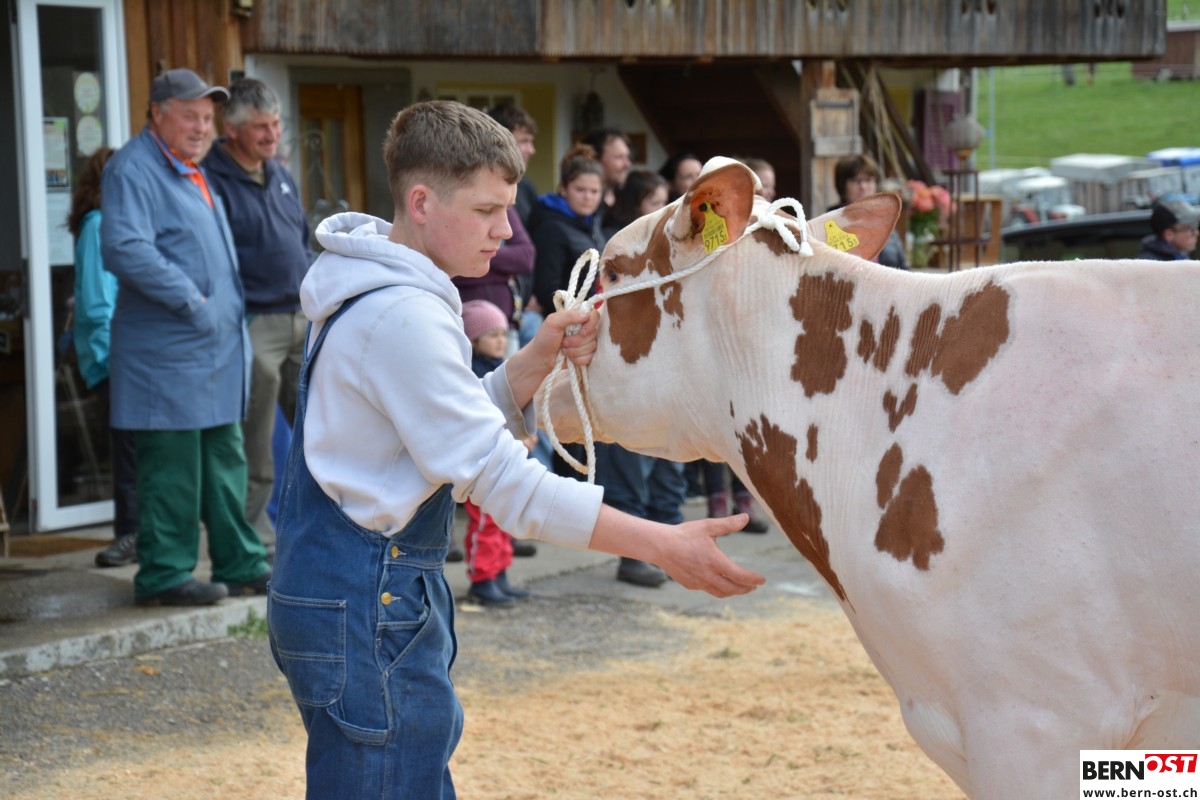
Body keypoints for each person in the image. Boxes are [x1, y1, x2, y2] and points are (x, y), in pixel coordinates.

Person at [266, 100, 763, 799]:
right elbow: (506, 483)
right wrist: (661, 542)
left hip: (346, 589)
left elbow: (437, 425)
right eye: (487, 210)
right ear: (421, 202)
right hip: (369, 600)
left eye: (507, 209)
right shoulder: (402, 313)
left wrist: (536, 358)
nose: (505, 230)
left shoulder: (372, 287)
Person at [101, 68, 271, 606]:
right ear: (157, 114)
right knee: (172, 470)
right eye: (189, 116)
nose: (202, 128)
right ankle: (163, 575)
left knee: (224, 461)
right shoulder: (133, 168)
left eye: (206, 117)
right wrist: (192, 300)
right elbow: (124, 247)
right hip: (168, 352)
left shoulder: (188, 167)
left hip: (212, 351)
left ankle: (240, 562)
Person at [202, 77, 312, 549]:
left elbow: (301, 238)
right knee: (256, 438)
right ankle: (252, 543)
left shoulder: (280, 173)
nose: (273, 135)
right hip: (253, 323)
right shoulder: (210, 179)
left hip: (300, 316)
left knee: (320, 427)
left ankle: (315, 529)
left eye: (277, 124)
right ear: (232, 130)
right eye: (261, 127)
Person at [68, 146, 139, 568]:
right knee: (128, 451)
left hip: (125, 357)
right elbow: (97, 308)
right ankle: (129, 534)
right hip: (114, 358)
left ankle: (140, 534)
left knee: (136, 449)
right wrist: (117, 360)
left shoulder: (115, 224)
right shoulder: (98, 225)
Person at [459, 299, 536, 605]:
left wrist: (527, 432)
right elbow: (486, 418)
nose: (501, 340)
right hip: (485, 463)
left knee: (504, 520)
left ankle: (500, 571)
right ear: (474, 339)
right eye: (492, 335)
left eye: (504, 334)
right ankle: (482, 578)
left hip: (508, 459)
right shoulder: (472, 375)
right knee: (485, 523)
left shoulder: (503, 369)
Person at [528, 144, 608, 322]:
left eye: (594, 191)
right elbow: (547, 290)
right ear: (564, 188)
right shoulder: (551, 228)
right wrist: (582, 315)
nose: (588, 197)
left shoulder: (592, 223)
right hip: (568, 323)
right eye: (580, 189)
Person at [831, 154, 909, 270]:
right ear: (842, 185)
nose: (863, 186)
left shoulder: (885, 220)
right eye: (856, 180)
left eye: (868, 180)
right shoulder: (830, 223)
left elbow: (903, 268)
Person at [604, 169, 669, 237]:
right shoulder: (615, 234)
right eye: (655, 203)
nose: (662, 209)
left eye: (664, 203)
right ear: (636, 205)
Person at [582, 127, 632, 210]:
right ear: (596, 159)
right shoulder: (583, 205)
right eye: (619, 157)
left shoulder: (628, 200)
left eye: (627, 157)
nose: (627, 164)